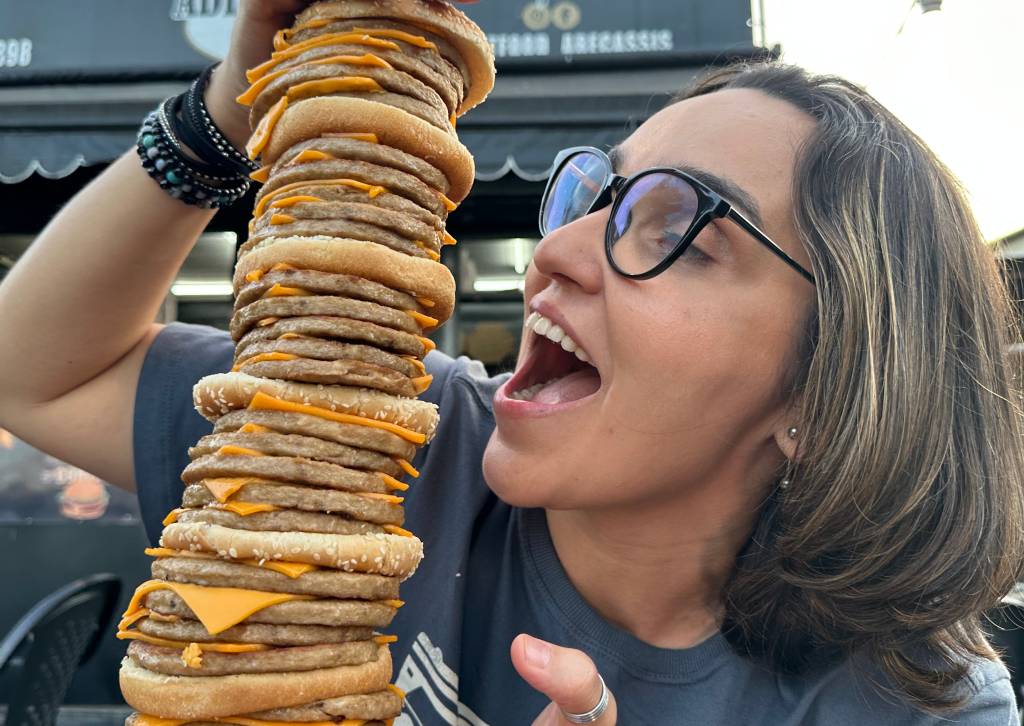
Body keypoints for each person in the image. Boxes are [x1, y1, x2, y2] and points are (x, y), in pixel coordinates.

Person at [1, 2, 1022, 724]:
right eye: (592, 196)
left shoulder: (914, 705)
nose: (556, 252)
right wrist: (228, 109)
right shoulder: (389, 443)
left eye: (675, 229)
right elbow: (29, 373)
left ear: (829, 390)